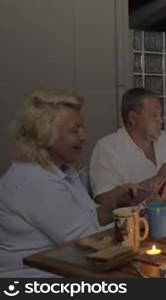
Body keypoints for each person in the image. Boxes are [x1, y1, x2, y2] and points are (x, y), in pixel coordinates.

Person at [0, 88, 139, 277]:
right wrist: (143, 220)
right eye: (75, 130)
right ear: (44, 135)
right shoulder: (35, 181)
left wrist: (114, 204)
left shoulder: (60, 170)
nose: (84, 136)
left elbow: (85, 222)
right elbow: (89, 245)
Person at [90, 88, 166, 206]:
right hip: (138, 224)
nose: (161, 120)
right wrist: (157, 178)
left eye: (161, 115)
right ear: (133, 118)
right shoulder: (108, 148)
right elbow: (103, 204)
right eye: (154, 115)